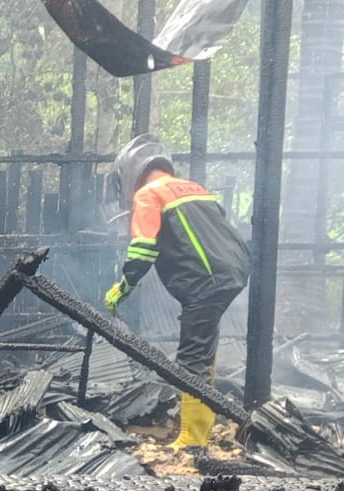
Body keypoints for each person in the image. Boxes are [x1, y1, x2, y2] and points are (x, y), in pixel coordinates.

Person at [104, 134, 251, 449]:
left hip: (205, 281)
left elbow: (143, 249)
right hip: (234, 270)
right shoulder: (194, 188)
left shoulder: (148, 194)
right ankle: (202, 429)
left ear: (130, 172)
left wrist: (123, 287)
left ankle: (193, 440)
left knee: (192, 361)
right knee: (203, 350)